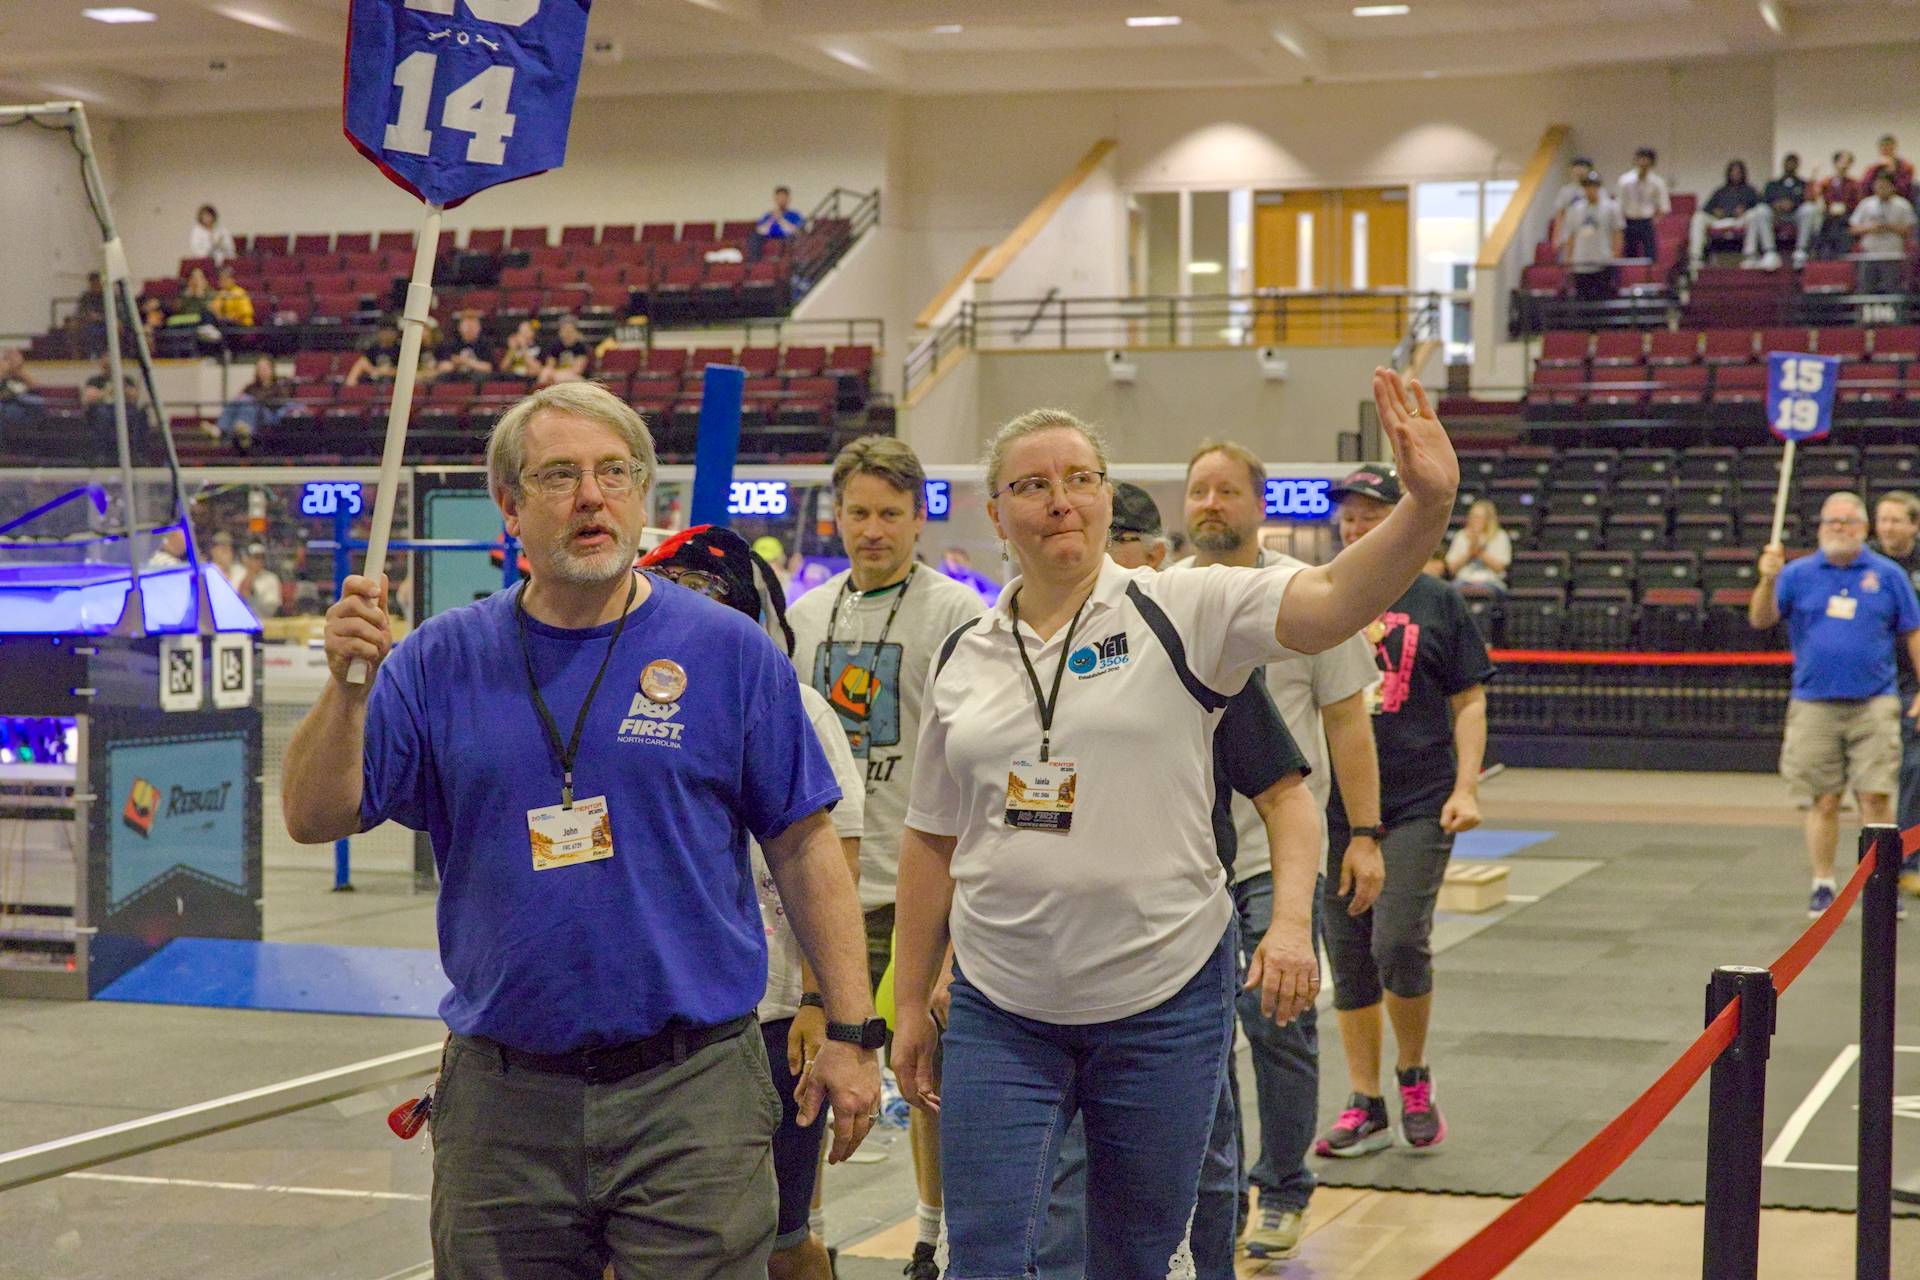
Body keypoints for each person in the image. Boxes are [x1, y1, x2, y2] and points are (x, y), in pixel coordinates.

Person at [279, 380, 883, 1279]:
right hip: (505, 1102)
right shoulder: (440, 660)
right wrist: (347, 689)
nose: (591, 496)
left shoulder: (729, 654)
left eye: (613, 472)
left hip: (692, 1096)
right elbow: (313, 814)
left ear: (641, 494)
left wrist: (851, 1030)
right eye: (559, 475)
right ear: (510, 505)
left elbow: (806, 849)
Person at [889, 369, 1458, 1279]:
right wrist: (909, 999)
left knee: (1137, 1254)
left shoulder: (1182, 606)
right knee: (985, 1255)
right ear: (996, 514)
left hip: (1160, 999)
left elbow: (1330, 603)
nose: (1060, 500)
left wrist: (1425, 509)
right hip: (1003, 1004)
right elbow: (931, 838)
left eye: (1079, 478)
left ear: (1105, 494)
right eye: (1031, 485)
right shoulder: (966, 653)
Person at [1035, 479, 1324, 1280]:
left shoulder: (1192, 644)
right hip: (1046, 966)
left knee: (1196, 1157)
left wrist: (1290, 924)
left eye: (1116, 544)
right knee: (1060, 1175)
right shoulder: (1015, 655)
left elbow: (1286, 792)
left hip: (1176, 954)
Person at [1174, 444, 1385, 1262]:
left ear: (1260, 505)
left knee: (1277, 1019)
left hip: (1276, 855)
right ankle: (1217, 1198)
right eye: (1199, 490)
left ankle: (1287, 1185)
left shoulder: (1310, 600)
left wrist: (1363, 834)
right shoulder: (1164, 598)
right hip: (1192, 859)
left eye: (1227, 490)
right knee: (1198, 1039)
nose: (1211, 503)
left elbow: (1347, 721)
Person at [638, 524, 866, 1280]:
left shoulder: (798, 707)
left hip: (772, 1018)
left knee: (781, 1235)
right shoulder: (633, 704)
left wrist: (820, 1004)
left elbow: (835, 866)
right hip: (665, 1017)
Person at [786, 435, 986, 1280]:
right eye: (859, 512)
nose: (873, 529)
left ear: (918, 518)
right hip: (823, 884)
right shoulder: (804, 617)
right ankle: (804, 1237)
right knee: (804, 1072)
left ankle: (933, 1239)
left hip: (920, 887)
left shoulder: (957, 615)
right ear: (837, 515)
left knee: (927, 1070)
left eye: (890, 514)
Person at [1313, 463, 1494, 1162]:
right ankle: (1366, 1102)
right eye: (1348, 516)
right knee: (1349, 957)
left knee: (1397, 941)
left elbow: (1468, 700)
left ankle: (1413, 1076)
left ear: (1397, 520)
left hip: (1419, 801)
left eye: (1370, 514)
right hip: (1334, 808)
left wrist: (1466, 788)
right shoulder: (1320, 597)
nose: (1355, 526)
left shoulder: (1436, 600)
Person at [1751, 492, 1920, 916]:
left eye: (1848, 521)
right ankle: (1823, 883)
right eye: (1832, 521)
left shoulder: (1888, 574)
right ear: (1820, 527)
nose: (1839, 528)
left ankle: (1882, 886)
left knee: (1876, 798)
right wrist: (1767, 580)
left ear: (1863, 529)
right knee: (1824, 800)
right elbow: (1761, 619)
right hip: (1814, 704)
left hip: (1874, 703)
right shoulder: (1797, 573)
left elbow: (1914, 631)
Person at [1869, 491, 1920, 896]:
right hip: (1881, 681)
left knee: (1914, 768)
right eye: (1882, 519)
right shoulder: (1867, 562)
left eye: (1896, 520)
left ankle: (1908, 859)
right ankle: (1896, 861)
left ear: (1914, 525)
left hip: (1914, 681)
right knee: (1899, 771)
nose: (1887, 527)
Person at [1556, 173, 1624, 301]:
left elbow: (1617, 233)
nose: (1590, 190)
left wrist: (1615, 254)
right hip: (1581, 262)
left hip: (1603, 261)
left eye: (1593, 186)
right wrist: (1569, 258)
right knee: (1582, 300)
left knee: (1603, 298)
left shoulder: (1611, 207)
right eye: (1587, 186)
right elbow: (1570, 235)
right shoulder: (1574, 209)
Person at [1746, 154, 1818, 270]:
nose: (1790, 165)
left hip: (1795, 216)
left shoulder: (1803, 184)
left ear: (1797, 165)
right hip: (1776, 216)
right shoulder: (1773, 184)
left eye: (1793, 163)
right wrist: (1776, 204)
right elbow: (1764, 199)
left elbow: (1807, 199)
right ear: (1783, 164)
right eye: (1788, 162)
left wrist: (1793, 204)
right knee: (1760, 210)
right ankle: (1770, 252)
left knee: (1809, 209)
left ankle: (1801, 250)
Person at [1850, 171, 1917, 295]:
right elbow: (1853, 229)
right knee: (1865, 290)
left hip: (1893, 255)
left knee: (1892, 290)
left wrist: (1889, 227)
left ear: (1893, 187)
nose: (1881, 189)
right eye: (1879, 186)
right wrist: (1871, 227)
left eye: (1885, 186)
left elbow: (1909, 231)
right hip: (1869, 255)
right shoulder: (1866, 204)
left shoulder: (1903, 205)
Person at [1688, 160, 1762, 269]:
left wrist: (1745, 209)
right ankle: (1696, 258)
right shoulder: (1720, 191)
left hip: (1740, 221)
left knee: (1753, 215)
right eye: (1733, 171)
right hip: (1720, 221)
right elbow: (1706, 209)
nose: (1735, 174)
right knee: (1698, 217)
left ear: (1743, 174)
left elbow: (1759, 206)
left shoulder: (1750, 190)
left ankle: (1750, 256)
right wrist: (1714, 211)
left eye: (1738, 172)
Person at [215, 356, 291, 449]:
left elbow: (281, 404)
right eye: (259, 369)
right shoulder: (251, 387)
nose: (262, 371)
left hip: (268, 413)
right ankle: (223, 429)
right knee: (237, 401)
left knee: (247, 402)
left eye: (264, 368)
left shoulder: (277, 387)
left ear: (272, 369)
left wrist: (256, 401)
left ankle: (235, 431)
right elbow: (240, 399)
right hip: (251, 412)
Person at [1615, 147, 1671, 262]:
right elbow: (1619, 204)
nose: (1643, 162)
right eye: (1641, 159)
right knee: (1630, 256)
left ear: (1652, 163)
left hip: (1647, 222)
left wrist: (1654, 221)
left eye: (1647, 160)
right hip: (1629, 221)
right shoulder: (1625, 180)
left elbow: (1664, 206)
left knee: (1651, 255)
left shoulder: (1657, 182)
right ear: (1636, 161)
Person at [1445, 499, 1512, 589]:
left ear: (1488, 519)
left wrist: (1480, 552)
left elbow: (1500, 568)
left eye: (1479, 517)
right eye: (1473, 516)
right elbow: (1451, 568)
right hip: (1464, 580)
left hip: (1491, 581)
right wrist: (1469, 553)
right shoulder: (1460, 535)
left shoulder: (1499, 536)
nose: (1475, 520)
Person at [1811, 150, 1864, 260]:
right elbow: (1814, 195)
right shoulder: (1826, 182)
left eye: (1848, 162)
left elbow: (1858, 202)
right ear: (1835, 163)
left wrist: (1845, 207)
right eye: (1842, 162)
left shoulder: (1854, 184)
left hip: (1847, 217)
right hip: (1828, 217)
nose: (1844, 165)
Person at [344, 319, 403, 386]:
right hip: (375, 380)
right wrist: (376, 371)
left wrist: (387, 371)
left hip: (395, 383)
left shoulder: (400, 350)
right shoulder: (373, 349)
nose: (387, 333)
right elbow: (364, 363)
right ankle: (350, 389)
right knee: (361, 363)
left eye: (390, 330)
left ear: (396, 333)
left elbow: (405, 370)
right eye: (384, 330)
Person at [537, 316, 593, 387]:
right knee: (545, 372)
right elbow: (550, 365)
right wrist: (551, 373)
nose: (567, 333)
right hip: (557, 374)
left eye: (570, 330)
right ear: (560, 332)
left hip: (574, 376)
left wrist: (557, 374)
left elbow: (577, 370)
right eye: (564, 330)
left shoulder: (581, 347)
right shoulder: (555, 345)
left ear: (576, 332)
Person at [436, 312, 494, 380]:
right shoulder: (451, 343)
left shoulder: (485, 344)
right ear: (459, 328)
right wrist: (453, 365)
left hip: (476, 379)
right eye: (467, 326)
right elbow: (443, 366)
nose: (470, 329)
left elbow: (488, 368)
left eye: (474, 326)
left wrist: (465, 361)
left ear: (479, 328)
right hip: (455, 379)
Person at [755, 185, 806, 259]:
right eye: (779, 198)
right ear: (775, 199)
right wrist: (772, 219)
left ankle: (784, 260)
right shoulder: (768, 215)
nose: (781, 200)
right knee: (755, 237)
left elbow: (797, 231)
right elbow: (760, 231)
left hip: (786, 236)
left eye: (783, 197)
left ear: (788, 199)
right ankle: (754, 262)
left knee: (791, 238)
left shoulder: (795, 215)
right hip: (770, 236)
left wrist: (781, 219)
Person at [0, 348, 44, 433]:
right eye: (5, 359)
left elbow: (36, 388)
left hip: (21, 408)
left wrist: (17, 371)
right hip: (6, 408)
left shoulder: (18, 376)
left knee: (38, 403)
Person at [1863, 133, 1915, 202]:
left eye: (1889, 148)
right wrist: (1875, 168)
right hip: (1877, 201)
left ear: (1894, 148)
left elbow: (1905, 189)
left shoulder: (1906, 166)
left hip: (1898, 201)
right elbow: (1865, 188)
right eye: (1883, 148)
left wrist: (1893, 172)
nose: (1886, 151)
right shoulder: (1873, 167)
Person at [240, 543, 283, 618]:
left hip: (264, 620)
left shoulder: (271, 578)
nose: (259, 561)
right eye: (256, 558)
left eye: (262, 558)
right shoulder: (238, 573)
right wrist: (250, 574)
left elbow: (271, 608)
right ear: (247, 559)